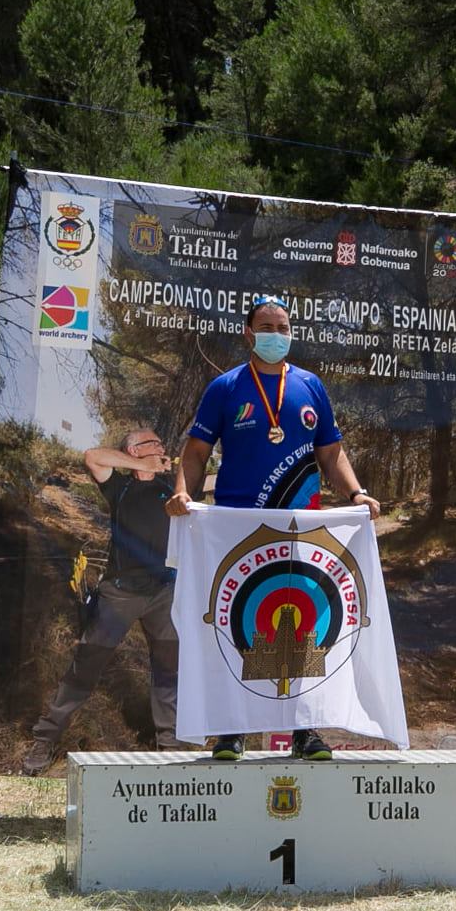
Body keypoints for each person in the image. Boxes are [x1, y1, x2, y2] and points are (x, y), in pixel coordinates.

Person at [166, 295, 383, 760]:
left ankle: (305, 732)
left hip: (300, 524)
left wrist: (356, 494)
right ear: (248, 333)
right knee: (235, 626)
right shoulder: (224, 388)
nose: (275, 335)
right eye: (266, 327)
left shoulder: (311, 386)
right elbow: (196, 452)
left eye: (283, 327)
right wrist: (185, 492)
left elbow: (331, 453)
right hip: (236, 527)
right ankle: (230, 732)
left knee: (305, 623)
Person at [21, 428, 182, 775]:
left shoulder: (172, 488)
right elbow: (92, 456)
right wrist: (142, 462)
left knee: (169, 672)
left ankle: (168, 749)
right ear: (135, 450)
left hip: (163, 594)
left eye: (161, 444)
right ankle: (44, 741)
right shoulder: (120, 486)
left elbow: (209, 481)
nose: (162, 447)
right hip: (119, 593)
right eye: (154, 443)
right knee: (86, 666)